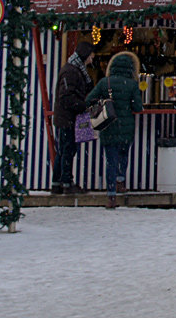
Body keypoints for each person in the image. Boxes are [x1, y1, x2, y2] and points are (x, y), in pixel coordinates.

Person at [85, 51, 143, 209]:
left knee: (110, 160)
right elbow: (138, 107)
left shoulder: (105, 82)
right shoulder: (132, 84)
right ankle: (120, 181)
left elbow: (89, 99)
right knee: (123, 155)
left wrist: (104, 102)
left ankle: (111, 196)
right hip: (126, 127)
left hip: (108, 125)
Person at [51, 41, 95, 194]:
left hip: (68, 116)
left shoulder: (75, 69)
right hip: (68, 117)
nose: (92, 58)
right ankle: (66, 182)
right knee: (68, 149)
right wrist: (83, 105)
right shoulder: (71, 71)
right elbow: (66, 97)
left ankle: (57, 183)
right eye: (91, 55)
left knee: (64, 150)